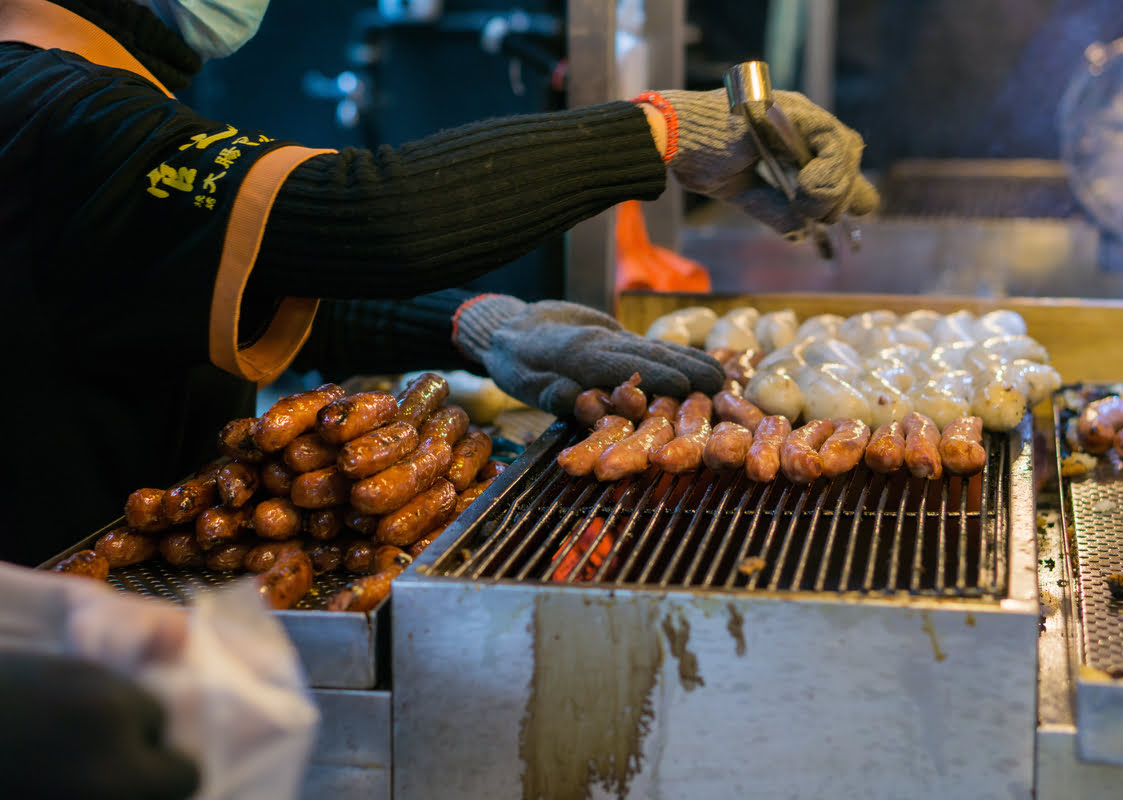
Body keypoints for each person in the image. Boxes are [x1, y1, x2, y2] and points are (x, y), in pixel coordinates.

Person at [1, 0, 877, 569]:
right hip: (53, 651)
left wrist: (473, 323)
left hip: (129, 596)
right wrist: (661, 132)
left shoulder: (77, 98)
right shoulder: (41, 103)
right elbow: (360, 213)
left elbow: (239, 280)